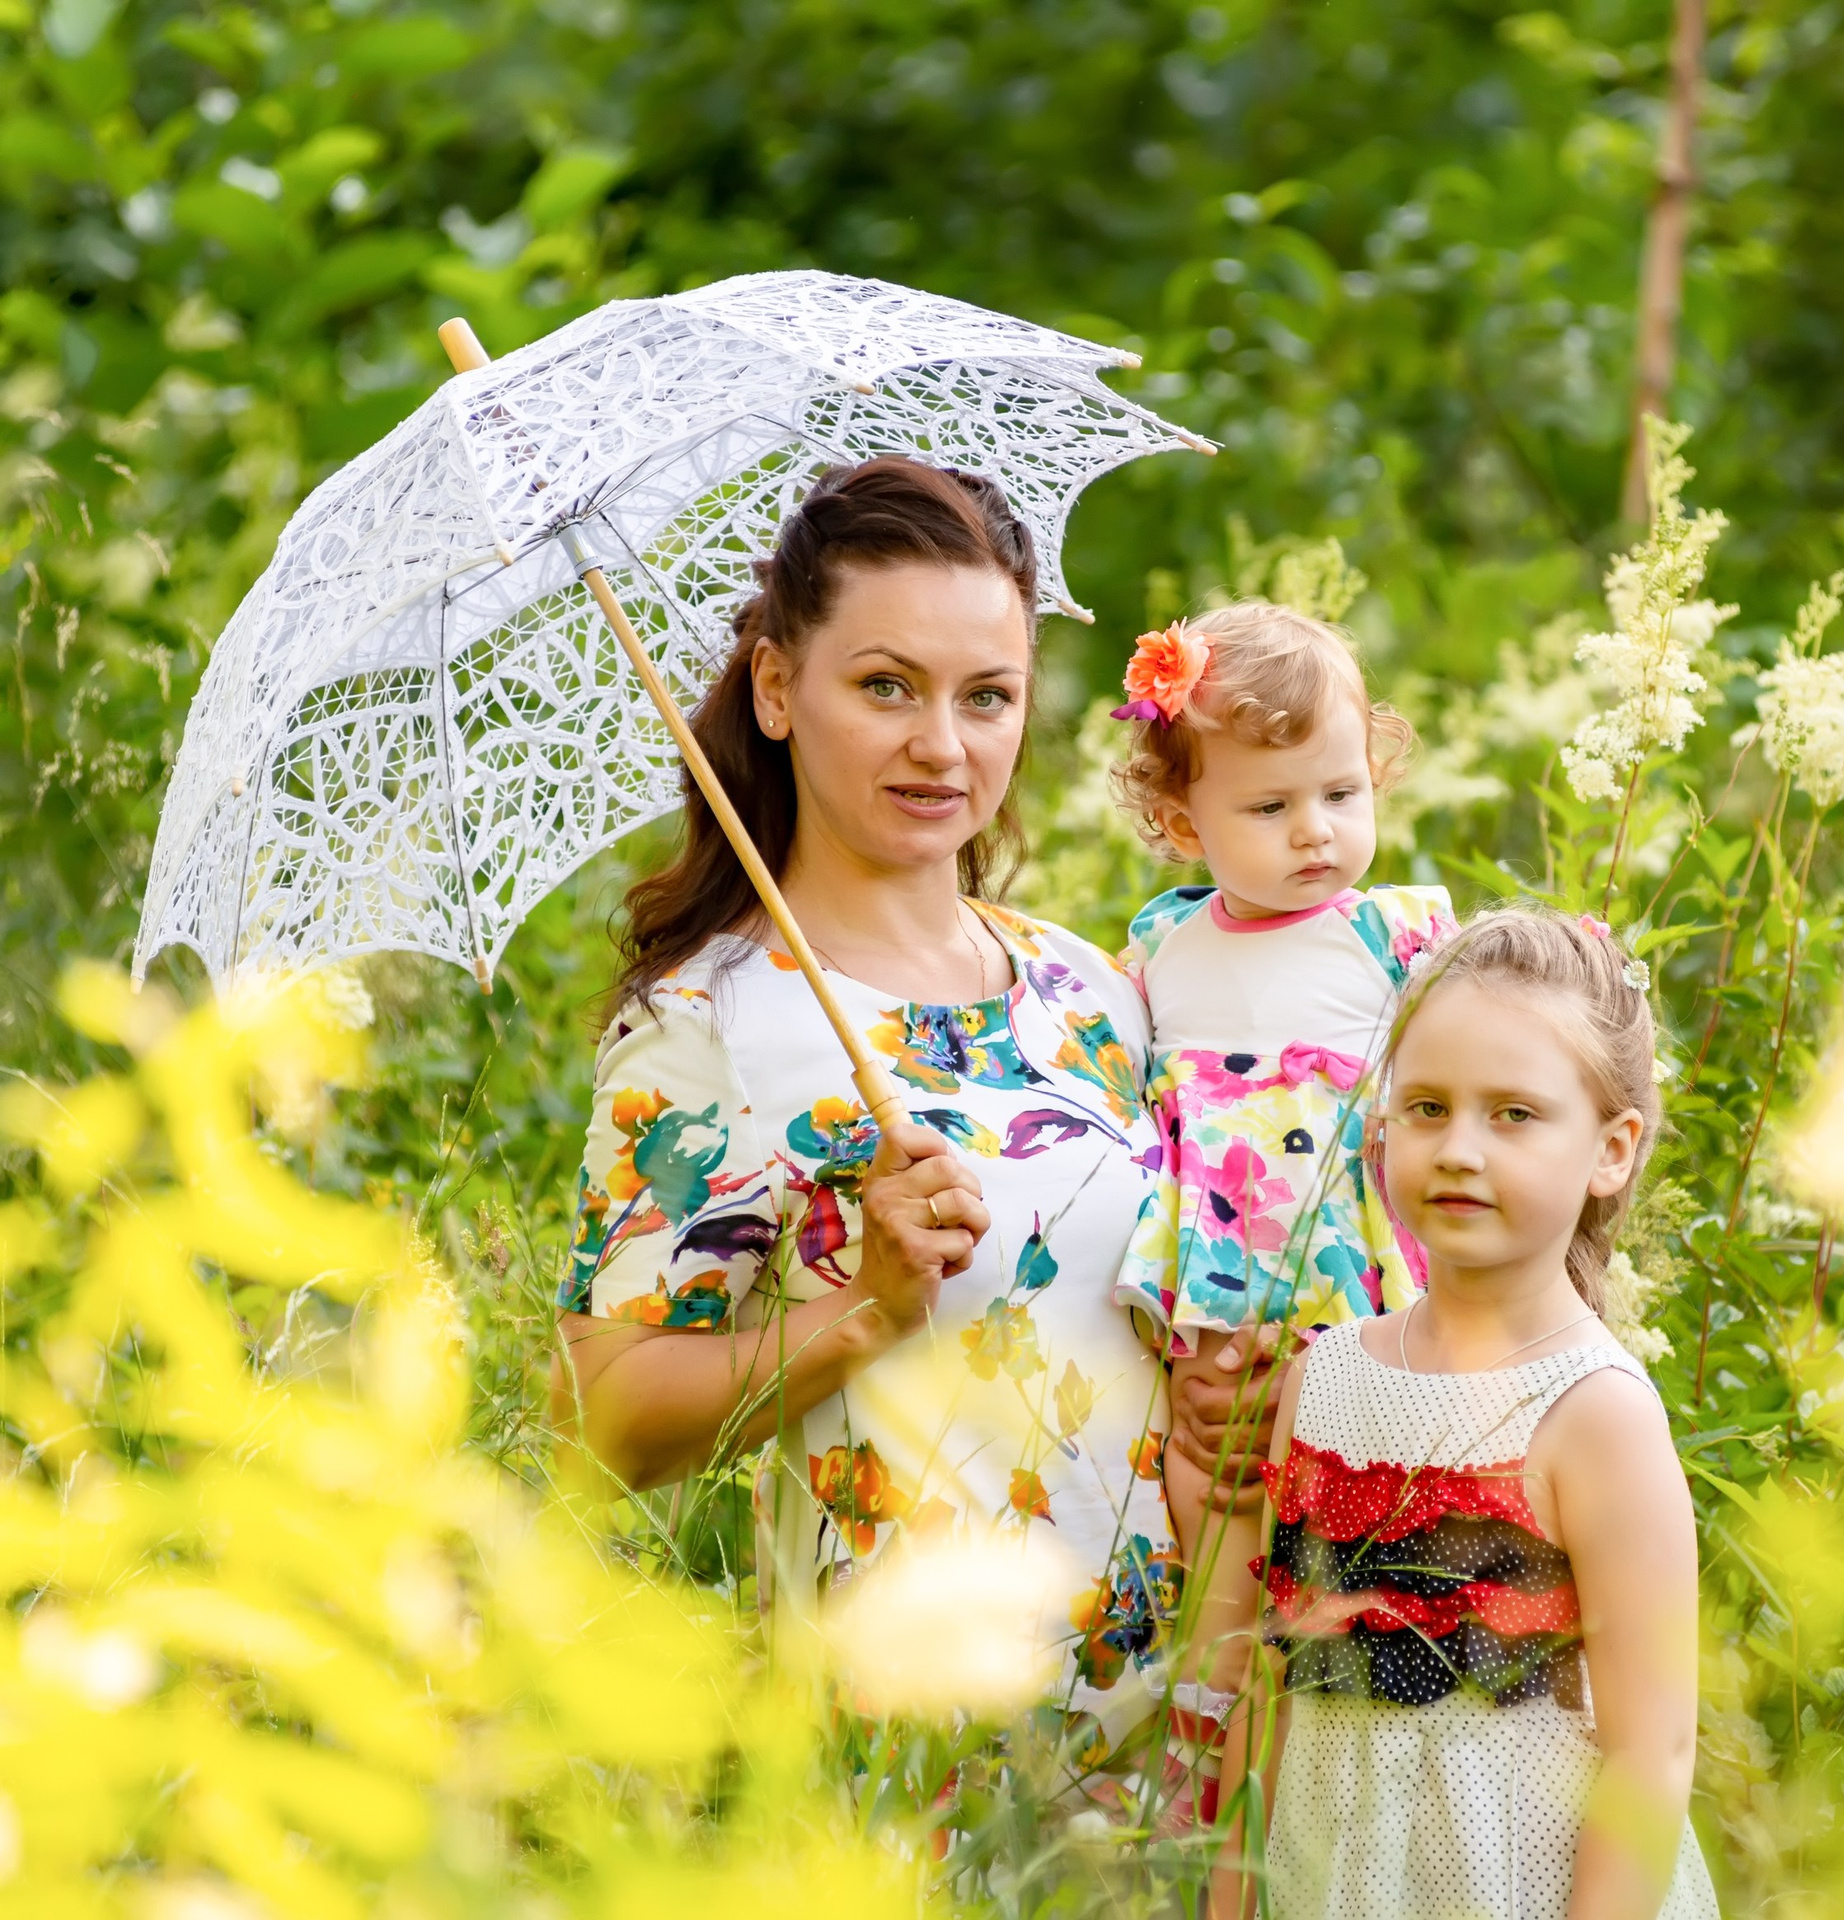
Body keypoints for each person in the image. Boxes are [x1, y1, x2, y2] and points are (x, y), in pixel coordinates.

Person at [551, 457, 1274, 1773]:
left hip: (1180, 1755)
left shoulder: (1093, 990)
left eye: (986, 696)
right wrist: (860, 1314)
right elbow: (602, 1420)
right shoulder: (705, 1025)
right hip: (913, 1768)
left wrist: (1227, 1379)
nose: (942, 745)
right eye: (886, 687)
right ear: (778, 686)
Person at [1223, 906, 1719, 1920]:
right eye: (1427, 1108)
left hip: (1514, 1885)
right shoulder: (1324, 1378)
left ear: (1611, 1150)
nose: (1458, 1149)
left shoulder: (1594, 1412)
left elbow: (1650, 1752)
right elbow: (1266, 1685)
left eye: (1513, 1115)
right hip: (1335, 1883)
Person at [1103, 600, 1456, 1819]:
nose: (1316, 833)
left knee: (1351, 1541)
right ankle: (1216, 1799)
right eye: (1268, 808)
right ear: (1176, 815)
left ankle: (1348, 1788)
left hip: (1352, 1292)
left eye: (1341, 794)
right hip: (1214, 1301)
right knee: (1215, 1533)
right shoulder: (1159, 949)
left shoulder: (1395, 934)